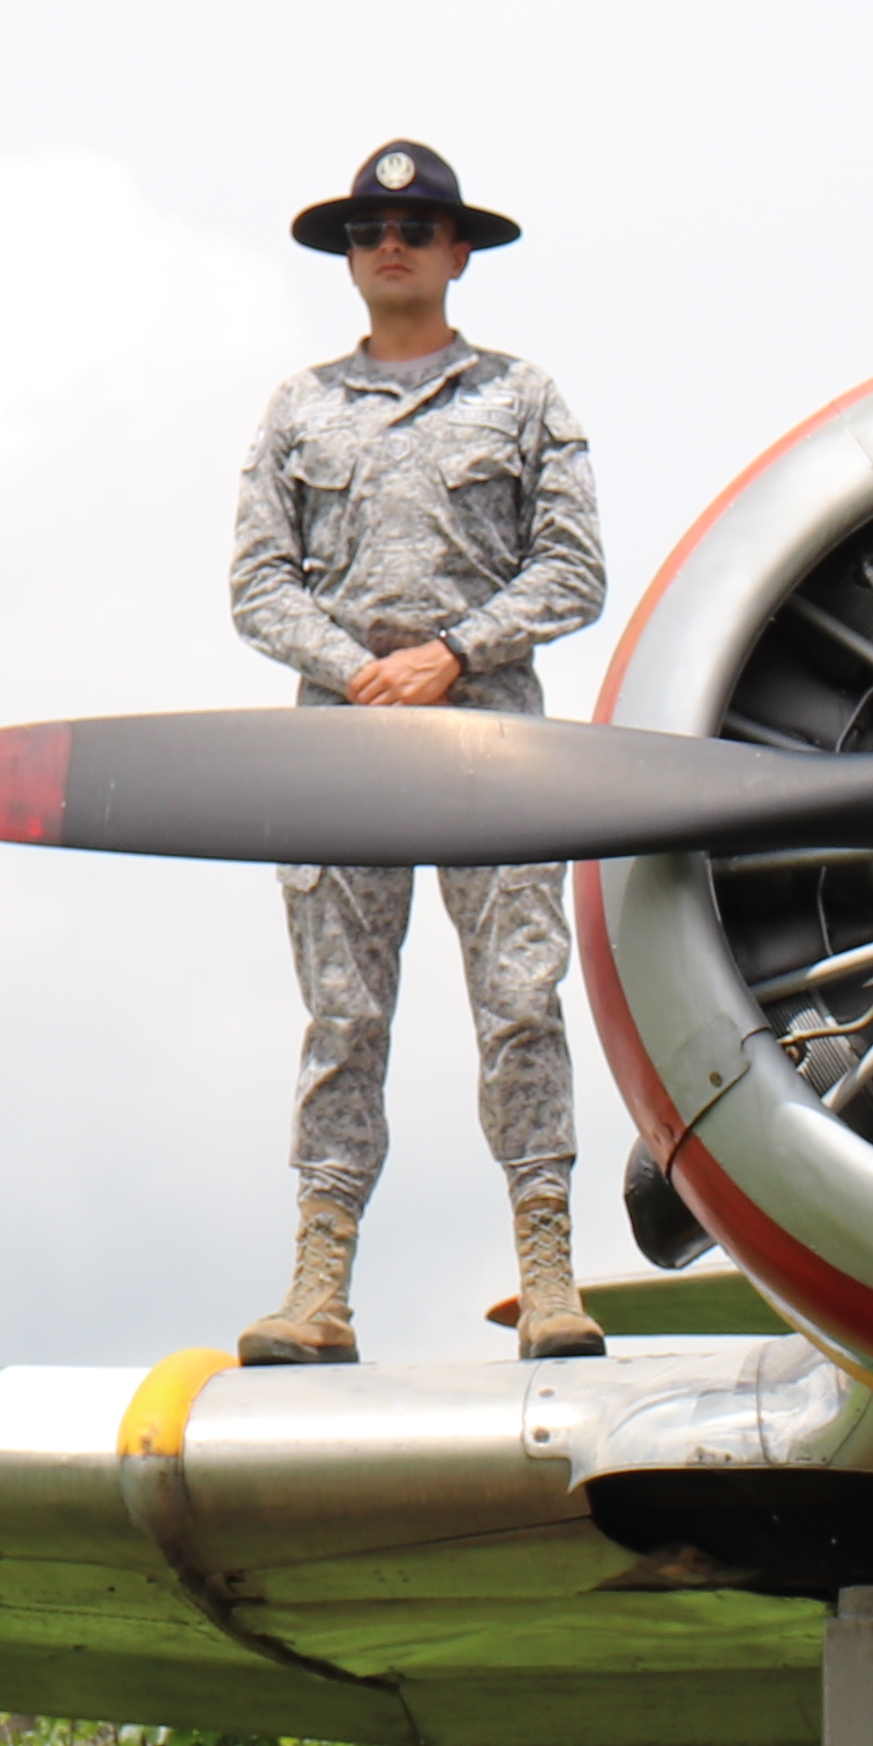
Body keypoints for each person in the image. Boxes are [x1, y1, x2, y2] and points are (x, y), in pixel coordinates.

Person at [227, 137, 610, 1369]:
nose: (386, 245)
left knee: (520, 1001)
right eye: (365, 232)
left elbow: (573, 569)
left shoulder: (523, 397)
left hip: (487, 744)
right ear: (351, 260)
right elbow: (257, 583)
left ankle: (547, 1268)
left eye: (411, 228)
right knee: (342, 1014)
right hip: (342, 754)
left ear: (456, 251)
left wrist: (451, 652)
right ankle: (319, 1280)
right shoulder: (299, 407)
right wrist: (355, 673)